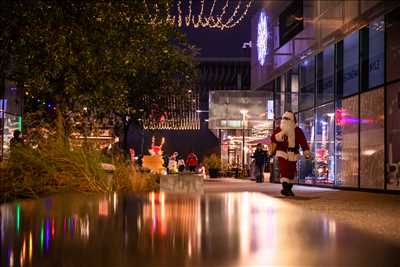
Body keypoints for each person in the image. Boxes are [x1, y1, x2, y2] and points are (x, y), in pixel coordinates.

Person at [271, 111, 312, 196]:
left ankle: (288, 189)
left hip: (293, 153)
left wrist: (306, 151)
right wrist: (280, 134)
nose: (286, 120)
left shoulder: (297, 130)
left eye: (288, 119)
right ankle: (286, 188)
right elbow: (273, 138)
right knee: (284, 169)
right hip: (283, 152)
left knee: (292, 171)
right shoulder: (279, 129)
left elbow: (303, 142)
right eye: (284, 118)